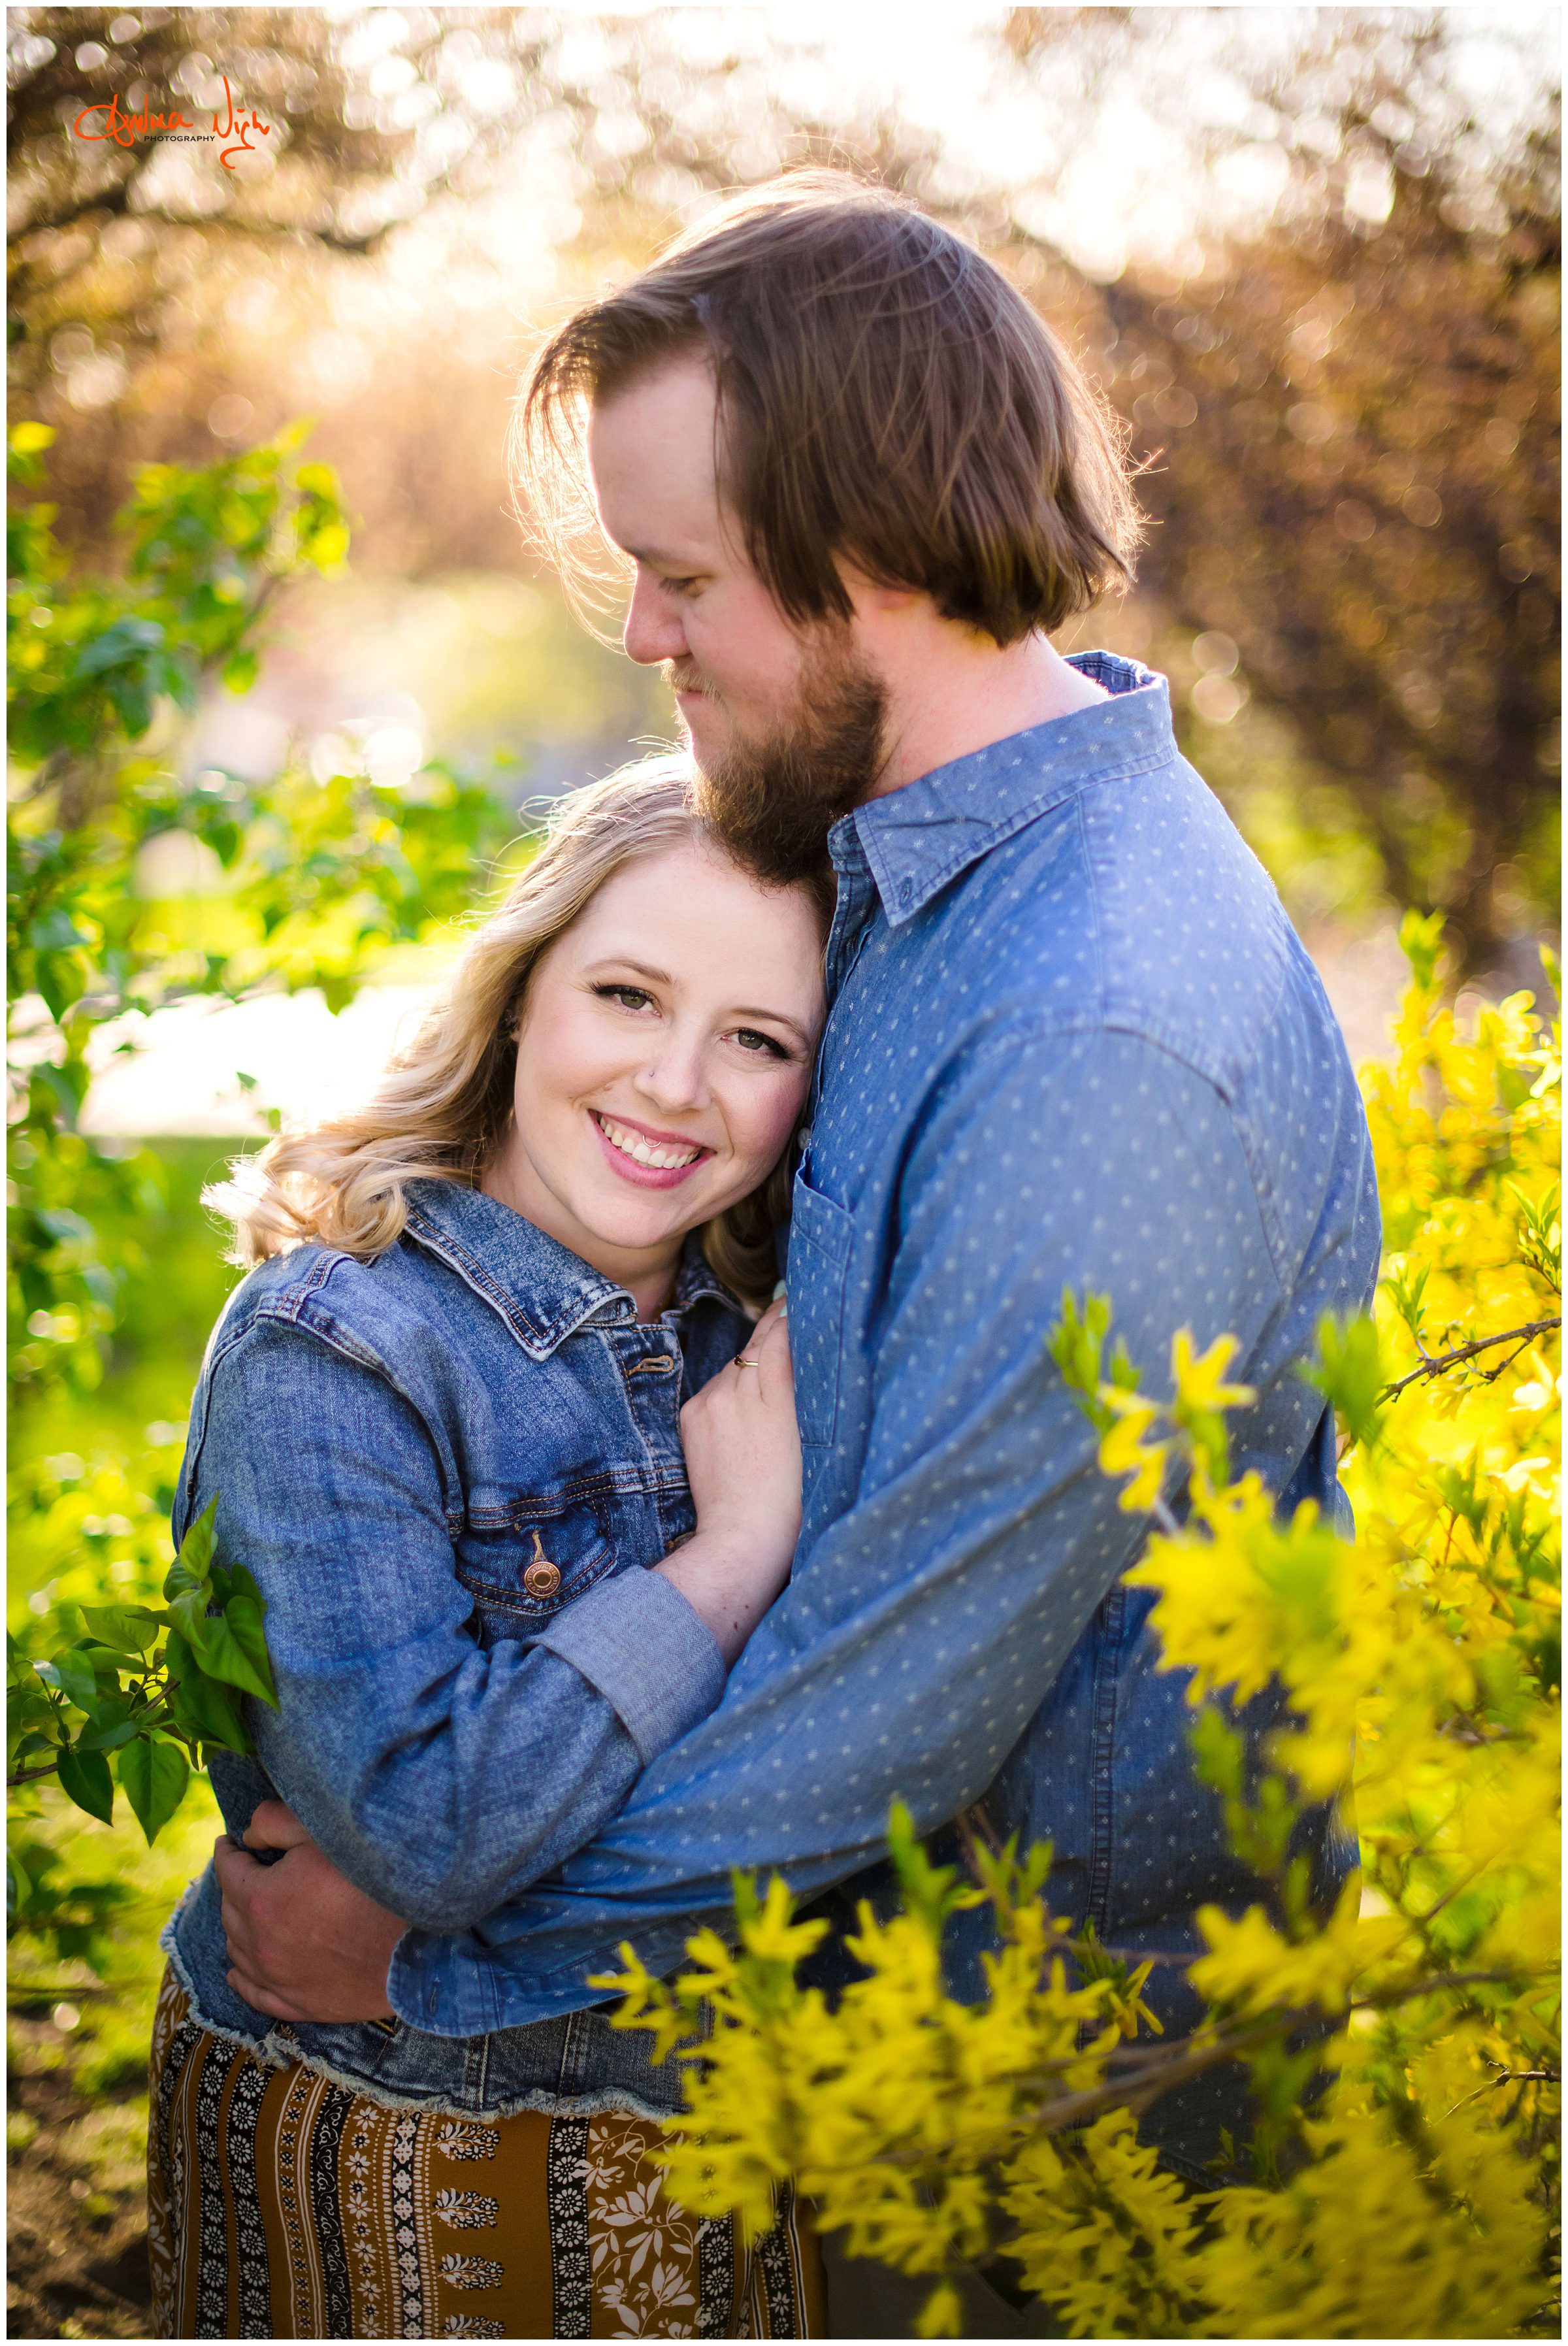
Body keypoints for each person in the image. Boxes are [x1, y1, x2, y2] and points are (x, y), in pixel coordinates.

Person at [214, 173, 1382, 2331]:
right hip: (860, 2100)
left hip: (1048, 2157)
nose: (640, 640)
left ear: (877, 558)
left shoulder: (1086, 1031)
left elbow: (890, 1712)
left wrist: (440, 1956)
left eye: (680, 579)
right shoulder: (939, 881)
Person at [148, 759, 830, 2338]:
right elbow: (428, 1824)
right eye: (628, 993)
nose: (674, 1082)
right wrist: (728, 1564)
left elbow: (840, 1783)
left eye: (756, 1038)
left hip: (713, 2148)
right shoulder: (337, 1346)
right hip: (389, 2134)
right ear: (523, 993)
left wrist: (443, 1943)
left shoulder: (780, 1343)